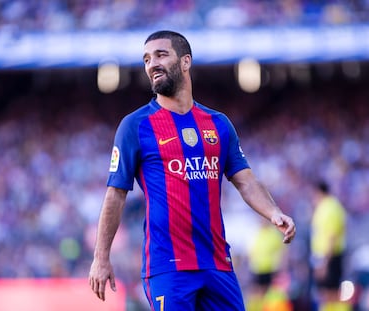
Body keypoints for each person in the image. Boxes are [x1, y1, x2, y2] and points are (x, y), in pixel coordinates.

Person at [88, 30, 296, 311]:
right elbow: (115, 195)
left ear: (186, 62)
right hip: (168, 267)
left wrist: (273, 212)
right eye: (147, 59)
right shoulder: (135, 126)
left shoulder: (218, 124)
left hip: (217, 263)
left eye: (161, 55)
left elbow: (246, 181)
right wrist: (101, 258)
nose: (152, 64)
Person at [310, 181, 349, 311]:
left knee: (331, 292)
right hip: (323, 256)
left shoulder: (330, 208)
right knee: (325, 293)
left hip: (330, 256)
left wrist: (325, 262)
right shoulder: (324, 207)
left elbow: (332, 237)